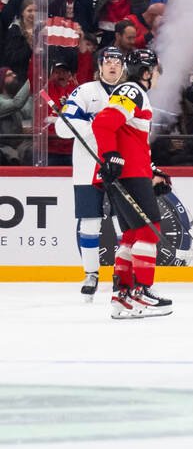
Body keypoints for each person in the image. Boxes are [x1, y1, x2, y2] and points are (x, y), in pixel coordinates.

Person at [90, 48, 174, 319]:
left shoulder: (130, 93)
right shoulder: (133, 91)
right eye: (157, 70)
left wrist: (152, 171)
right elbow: (103, 124)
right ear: (147, 72)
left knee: (131, 236)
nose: (159, 76)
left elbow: (129, 140)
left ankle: (122, 297)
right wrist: (110, 156)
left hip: (129, 172)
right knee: (149, 232)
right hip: (129, 174)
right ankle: (141, 292)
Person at [52, 44, 125, 300]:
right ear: (100, 65)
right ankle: (91, 273)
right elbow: (62, 128)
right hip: (87, 165)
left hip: (119, 163)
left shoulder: (130, 93)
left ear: (123, 66)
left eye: (117, 61)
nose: (112, 65)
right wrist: (97, 126)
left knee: (122, 222)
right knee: (90, 220)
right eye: (108, 61)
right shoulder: (85, 92)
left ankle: (122, 273)